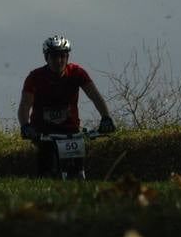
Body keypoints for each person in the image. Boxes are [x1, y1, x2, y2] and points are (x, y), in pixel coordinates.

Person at [18, 35, 115, 174]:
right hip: (44, 131)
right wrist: (25, 126)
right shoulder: (35, 77)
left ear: (67, 57)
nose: (59, 61)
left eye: (63, 56)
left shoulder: (77, 72)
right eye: (54, 57)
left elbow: (95, 96)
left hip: (70, 130)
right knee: (47, 167)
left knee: (77, 171)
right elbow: (25, 105)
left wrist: (106, 117)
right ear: (46, 58)